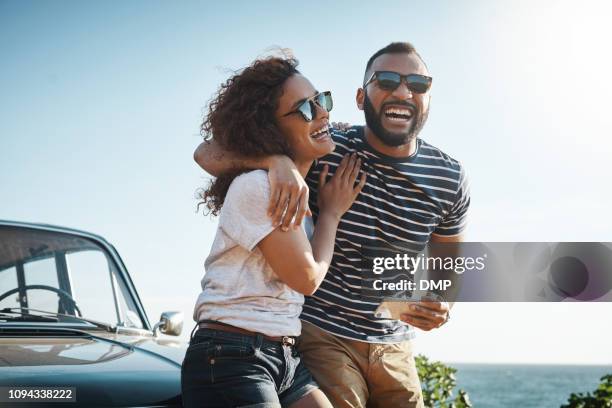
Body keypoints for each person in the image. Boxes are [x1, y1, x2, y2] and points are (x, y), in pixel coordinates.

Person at [194, 42, 470, 408]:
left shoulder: (449, 177)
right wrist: (275, 160)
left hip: (395, 343)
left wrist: (443, 303)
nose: (402, 91)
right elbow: (207, 153)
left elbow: (446, 266)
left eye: (417, 84)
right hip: (322, 333)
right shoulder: (326, 143)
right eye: (386, 80)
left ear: (429, 97)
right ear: (361, 97)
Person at [182, 54, 366, 408]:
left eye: (321, 100)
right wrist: (330, 214)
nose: (322, 113)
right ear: (270, 129)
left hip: (283, 357)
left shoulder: (295, 182)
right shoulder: (258, 187)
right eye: (306, 109)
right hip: (231, 357)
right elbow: (307, 278)